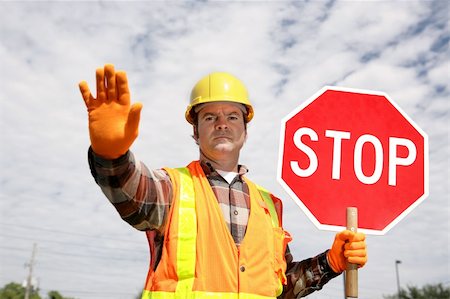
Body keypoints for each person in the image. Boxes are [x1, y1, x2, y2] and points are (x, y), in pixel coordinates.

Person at [78, 64, 367, 299]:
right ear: (195, 132)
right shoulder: (172, 186)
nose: (222, 123)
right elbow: (130, 190)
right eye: (209, 117)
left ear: (245, 130)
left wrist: (330, 262)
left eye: (232, 116)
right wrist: (111, 153)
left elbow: (279, 288)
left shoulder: (270, 205)